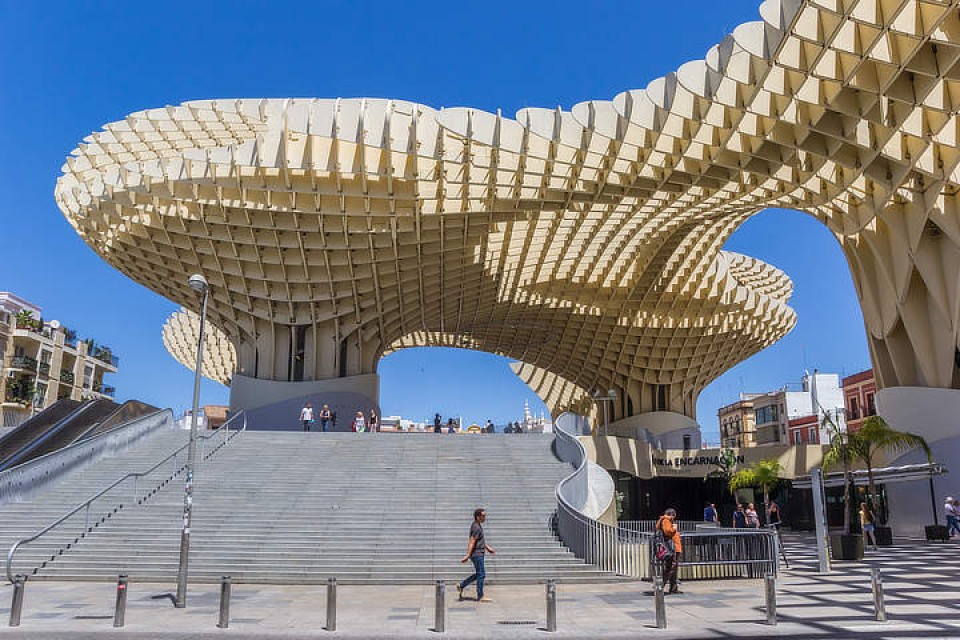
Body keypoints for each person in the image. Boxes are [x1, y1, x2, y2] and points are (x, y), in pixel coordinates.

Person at [458, 508, 496, 602]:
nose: (485, 518)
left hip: (479, 553)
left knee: (479, 574)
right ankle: (480, 596)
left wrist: (487, 548)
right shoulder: (476, 527)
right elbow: (472, 541)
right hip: (477, 554)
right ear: (478, 517)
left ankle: (461, 585)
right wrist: (467, 555)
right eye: (483, 516)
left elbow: (479, 540)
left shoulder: (477, 525)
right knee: (481, 574)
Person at [656, 508, 683, 594]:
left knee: (673, 568)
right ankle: (660, 586)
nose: (674, 518)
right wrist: (674, 528)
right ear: (671, 515)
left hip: (672, 547)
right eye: (674, 516)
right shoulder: (666, 521)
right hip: (671, 548)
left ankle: (673, 587)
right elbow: (668, 531)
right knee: (671, 567)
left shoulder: (664, 521)